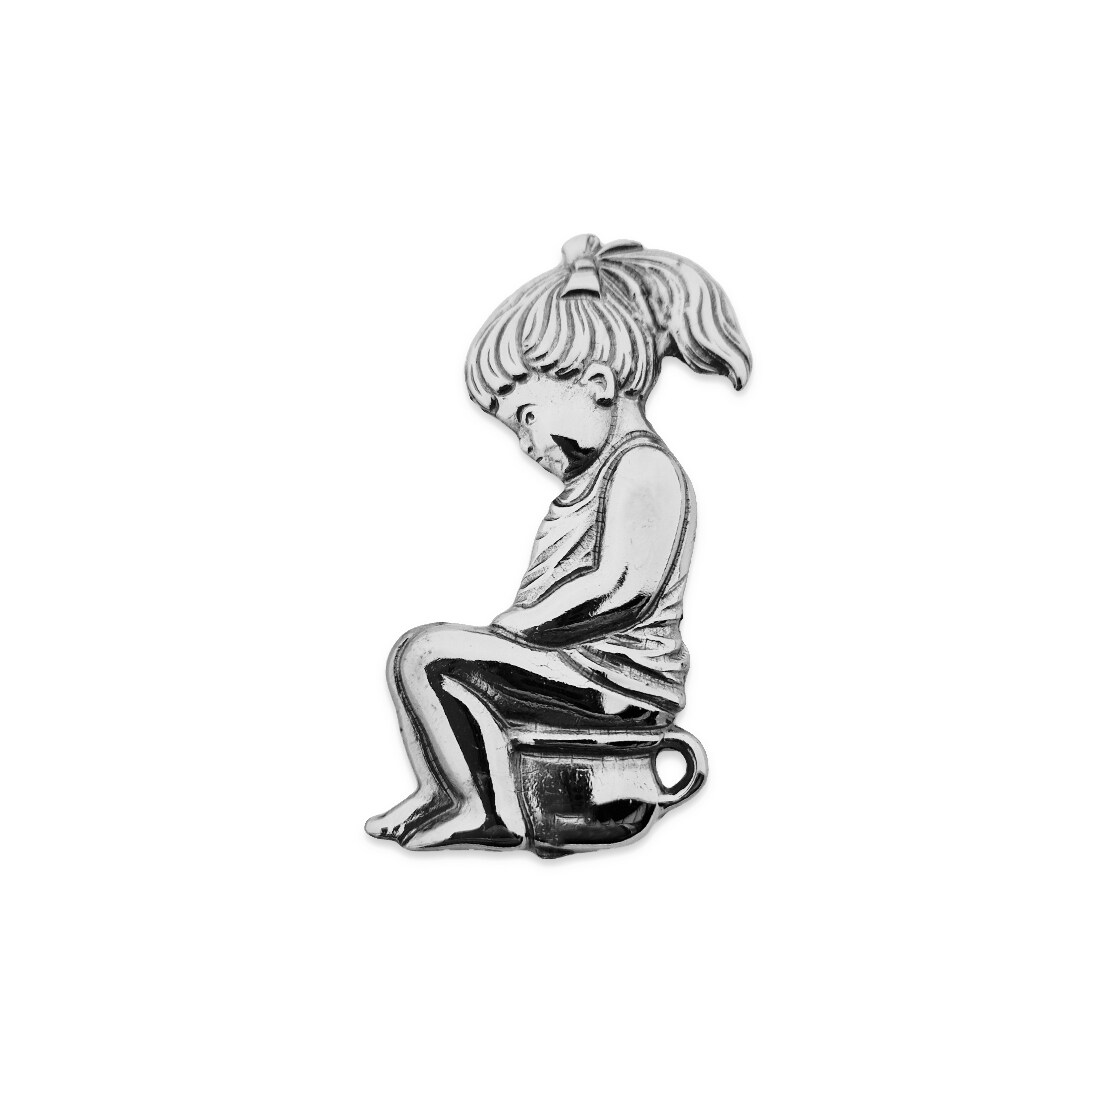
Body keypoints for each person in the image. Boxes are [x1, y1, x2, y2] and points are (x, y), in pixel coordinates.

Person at [366, 235, 751, 850]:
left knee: (428, 654)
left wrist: (520, 628)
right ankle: (455, 793)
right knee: (443, 662)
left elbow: (622, 589)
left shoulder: (644, 468)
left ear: (596, 383)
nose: (526, 445)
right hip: (576, 666)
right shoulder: (593, 482)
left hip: (616, 682)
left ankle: (481, 807)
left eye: (527, 416)